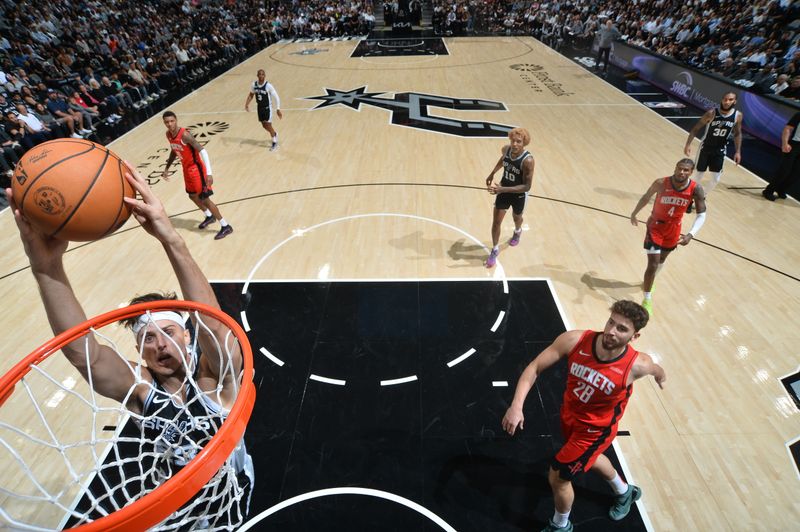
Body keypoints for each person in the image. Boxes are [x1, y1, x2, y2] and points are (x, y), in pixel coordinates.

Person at [5, 166, 252, 527]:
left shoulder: (216, 378)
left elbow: (213, 325)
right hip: (176, 506)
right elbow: (82, 353)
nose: (159, 343)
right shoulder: (141, 391)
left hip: (231, 494)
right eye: (147, 338)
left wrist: (171, 239)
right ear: (139, 351)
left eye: (168, 331)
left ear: (187, 335)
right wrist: (45, 266)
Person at [502, 300, 666, 532]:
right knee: (592, 458)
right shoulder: (575, 340)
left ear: (634, 336)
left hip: (595, 431)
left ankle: (560, 525)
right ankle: (624, 492)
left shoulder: (637, 365)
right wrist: (516, 406)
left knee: (558, 477)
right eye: (611, 322)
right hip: (570, 417)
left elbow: (656, 369)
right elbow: (535, 367)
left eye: (621, 329)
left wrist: (661, 376)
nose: (611, 331)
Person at [630, 159, 706, 316]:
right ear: (675, 168)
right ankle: (647, 299)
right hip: (655, 227)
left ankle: (650, 281)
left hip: (674, 229)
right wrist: (634, 213)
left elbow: (702, 214)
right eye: (680, 169)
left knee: (662, 261)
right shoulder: (661, 183)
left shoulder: (696, 189)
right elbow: (646, 197)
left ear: (691, 172)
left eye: (686, 170)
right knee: (653, 263)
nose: (682, 172)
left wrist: (691, 234)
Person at [161, 110, 233, 240]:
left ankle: (225, 226)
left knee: (205, 198)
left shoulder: (185, 135)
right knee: (192, 196)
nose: (170, 124)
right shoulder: (169, 135)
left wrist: (209, 174)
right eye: (167, 122)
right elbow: (174, 150)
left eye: (172, 121)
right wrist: (167, 168)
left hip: (196, 169)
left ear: (176, 120)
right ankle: (209, 216)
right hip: (186, 169)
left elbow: (203, 151)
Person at [485, 127, 535, 268]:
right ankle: (494, 250)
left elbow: (527, 186)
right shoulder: (506, 149)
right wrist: (492, 173)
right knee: (496, 222)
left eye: (518, 141)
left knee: (516, 218)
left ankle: (517, 231)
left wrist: (501, 189)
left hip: (519, 194)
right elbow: (503, 160)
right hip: (504, 190)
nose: (514, 144)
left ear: (524, 143)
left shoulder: (528, 161)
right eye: (513, 140)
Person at [683, 92, 742, 204]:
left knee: (716, 179)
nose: (727, 102)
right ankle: (690, 197)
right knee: (698, 175)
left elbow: (738, 133)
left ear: (735, 101)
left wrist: (738, 151)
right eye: (725, 99)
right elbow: (695, 128)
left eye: (730, 100)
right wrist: (688, 144)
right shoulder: (711, 113)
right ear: (722, 99)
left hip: (720, 149)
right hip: (705, 147)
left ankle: (702, 196)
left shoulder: (737, 116)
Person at [762, 111, 800, 201]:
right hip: (794, 145)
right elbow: (788, 129)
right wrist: (785, 143)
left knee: (796, 173)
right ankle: (768, 191)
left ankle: (781, 189)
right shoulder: (798, 115)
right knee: (784, 170)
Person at [244, 69, 282, 151]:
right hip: (259, 108)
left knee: (268, 124)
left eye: (263, 74)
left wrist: (278, 109)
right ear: (257, 76)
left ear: (265, 76)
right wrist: (247, 104)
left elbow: (277, 97)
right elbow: (251, 95)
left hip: (268, 108)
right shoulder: (254, 85)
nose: (261, 76)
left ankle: (274, 142)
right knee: (264, 125)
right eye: (260, 74)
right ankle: (274, 133)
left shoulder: (268, 86)